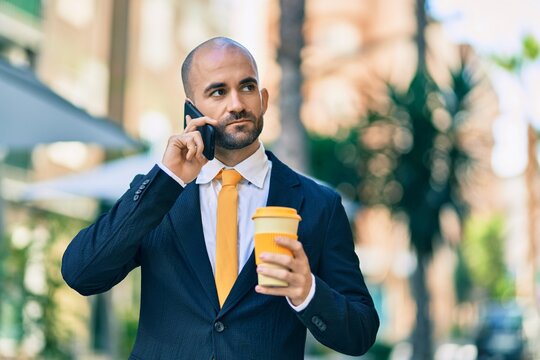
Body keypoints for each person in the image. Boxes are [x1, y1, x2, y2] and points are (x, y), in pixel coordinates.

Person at [62, 37, 379, 360]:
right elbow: (81, 274)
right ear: (191, 109)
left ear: (264, 99)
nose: (237, 104)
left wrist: (307, 291)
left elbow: (361, 333)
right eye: (218, 92)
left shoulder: (318, 205)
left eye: (247, 87)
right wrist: (166, 181)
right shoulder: (159, 196)